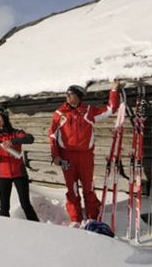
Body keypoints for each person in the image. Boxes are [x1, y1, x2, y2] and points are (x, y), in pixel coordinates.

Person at [48, 82, 120, 226]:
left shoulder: (89, 112)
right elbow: (52, 135)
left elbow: (110, 109)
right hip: (67, 157)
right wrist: (55, 155)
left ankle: (92, 216)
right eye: (66, 94)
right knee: (72, 189)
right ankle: (75, 218)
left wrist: (114, 90)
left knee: (88, 188)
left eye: (71, 94)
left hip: (86, 156)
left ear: (79, 96)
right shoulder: (59, 113)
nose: (68, 97)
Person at [0, 109, 39, 221]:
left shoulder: (16, 133)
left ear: (5, 119)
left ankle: (39, 229)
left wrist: (13, 142)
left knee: (26, 205)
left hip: (19, 174)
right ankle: (4, 232)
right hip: (3, 175)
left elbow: (30, 138)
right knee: (4, 208)